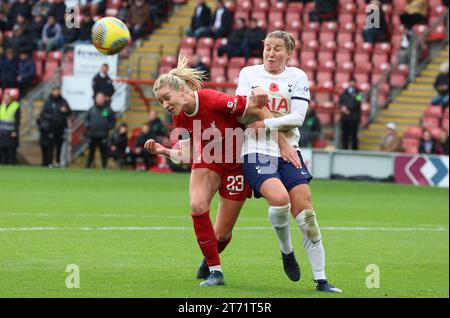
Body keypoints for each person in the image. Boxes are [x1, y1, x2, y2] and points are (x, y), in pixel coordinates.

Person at [144, 53, 274, 286]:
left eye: (166, 98)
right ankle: (216, 271)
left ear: (182, 90)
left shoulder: (215, 100)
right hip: (209, 161)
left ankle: (209, 257)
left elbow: (256, 108)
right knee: (197, 205)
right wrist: (163, 151)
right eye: (160, 102)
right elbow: (185, 155)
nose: (164, 105)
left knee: (222, 235)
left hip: (237, 166)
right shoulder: (180, 118)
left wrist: (279, 143)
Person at [235, 31, 342, 293]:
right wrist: (253, 99)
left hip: (289, 150)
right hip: (256, 148)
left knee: (307, 216)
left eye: (277, 49)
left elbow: (298, 118)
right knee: (280, 200)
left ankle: (321, 279)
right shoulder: (249, 73)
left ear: (289, 53)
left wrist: (267, 122)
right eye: (267, 48)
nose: (271, 54)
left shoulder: (297, 76)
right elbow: (239, 113)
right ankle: (287, 251)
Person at [37, 85, 72, 167]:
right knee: (50, 145)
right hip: (51, 128)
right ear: (52, 91)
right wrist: (52, 117)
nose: (56, 92)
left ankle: (58, 161)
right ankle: (49, 162)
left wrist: (66, 111)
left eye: (58, 90)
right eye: (55, 90)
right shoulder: (48, 101)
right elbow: (43, 114)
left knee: (59, 145)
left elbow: (69, 112)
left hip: (61, 127)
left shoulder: (63, 101)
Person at [85, 93, 116, 169]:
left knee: (104, 152)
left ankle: (104, 167)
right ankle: (88, 166)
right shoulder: (92, 109)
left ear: (104, 99)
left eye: (101, 98)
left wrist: (108, 127)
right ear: (95, 99)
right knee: (91, 152)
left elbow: (113, 121)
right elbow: (86, 119)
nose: (99, 100)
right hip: (92, 134)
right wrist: (88, 126)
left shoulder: (108, 109)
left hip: (103, 135)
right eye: (98, 98)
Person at [339, 78, 363, 150]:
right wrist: (343, 108)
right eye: (350, 82)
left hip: (354, 118)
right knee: (345, 135)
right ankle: (344, 149)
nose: (352, 84)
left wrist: (348, 109)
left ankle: (354, 150)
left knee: (354, 135)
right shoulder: (344, 93)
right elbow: (340, 102)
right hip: (345, 118)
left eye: (353, 82)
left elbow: (358, 103)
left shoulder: (359, 93)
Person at [0, 91, 20, 165]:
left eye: (8, 97)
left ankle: (12, 164)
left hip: (11, 132)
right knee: (2, 150)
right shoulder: (2, 106)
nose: (6, 99)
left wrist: (15, 131)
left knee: (11, 150)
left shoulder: (15, 106)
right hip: (2, 132)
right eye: (5, 97)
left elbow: (17, 121)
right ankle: (3, 164)